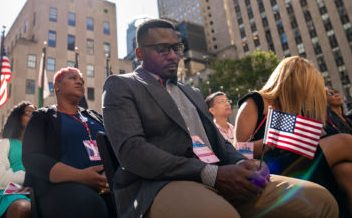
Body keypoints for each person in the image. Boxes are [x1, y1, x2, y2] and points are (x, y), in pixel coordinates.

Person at [102, 19, 338, 218]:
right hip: (158, 184)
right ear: (140, 53)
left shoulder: (192, 92)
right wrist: (211, 174)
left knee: (320, 199)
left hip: (223, 175)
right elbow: (132, 150)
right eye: (163, 49)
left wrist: (241, 163)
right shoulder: (122, 85)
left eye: (177, 48)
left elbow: (221, 142)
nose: (174, 56)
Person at [236, 56, 352, 218]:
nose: (308, 92)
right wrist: (275, 139)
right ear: (293, 81)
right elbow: (239, 151)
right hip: (269, 169)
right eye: (307, 86)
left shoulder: (296, 107)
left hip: (298, 160)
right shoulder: (256, 101)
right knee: (346, 142)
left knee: (349, 171)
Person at [22, 67, 113, 218]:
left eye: (82, 81)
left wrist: (111, 178)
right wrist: (81, 176)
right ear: (56, 85)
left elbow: (114, 149)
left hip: (108, 186)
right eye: (73, 78)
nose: (79, 82)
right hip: (60, 188)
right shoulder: (42, 116)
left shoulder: (95, 117)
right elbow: (32, 158)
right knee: (90, 204)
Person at [0, 102, 35, 218]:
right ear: (17, 117)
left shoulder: (41, 146)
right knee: (23, 208)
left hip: (38, 191)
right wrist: (30, 178)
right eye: (27, 113)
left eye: (35, 114)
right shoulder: (3, 144)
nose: (31, 116)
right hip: (7, 193)